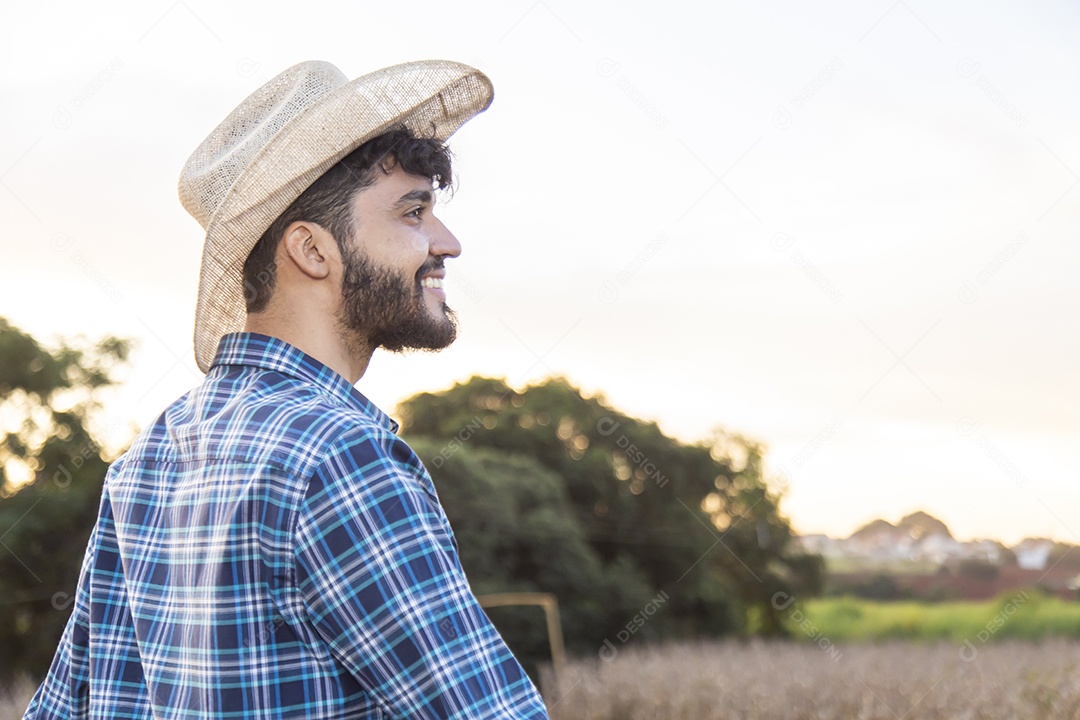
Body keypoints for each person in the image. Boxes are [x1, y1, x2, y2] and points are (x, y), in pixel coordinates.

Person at [24, 60, 549, 719]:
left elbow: (61, 710)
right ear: (312, 250)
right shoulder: (339, 457)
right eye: (414, 212)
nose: (448, 243)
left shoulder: (146, 462)